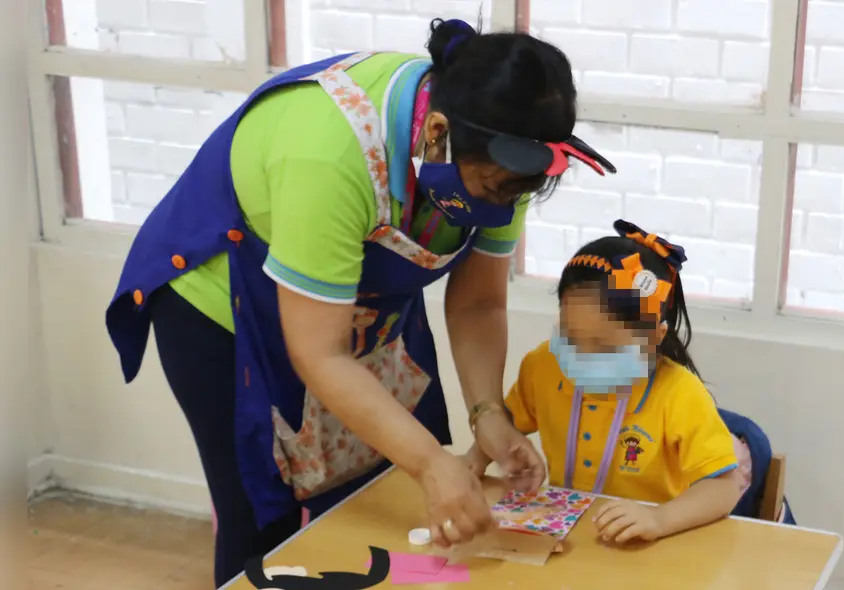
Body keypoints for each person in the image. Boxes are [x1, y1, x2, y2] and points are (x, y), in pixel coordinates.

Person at [104, 17, 616, 586]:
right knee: (265, 521)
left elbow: (477, 306)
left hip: (359, 311)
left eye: (513, 194)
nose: (502, 207)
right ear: (436, 133)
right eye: (492, 190)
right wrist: (429, 463)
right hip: (226, 310)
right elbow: (318, 352)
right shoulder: (330, 152)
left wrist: (487, 414)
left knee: (380, 499)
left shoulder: (508, 158)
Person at [463, 219, 745, 544]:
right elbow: (506, 423)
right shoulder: (544, 366)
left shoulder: (680, 394)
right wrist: (477, 457)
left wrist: (659, 518)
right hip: (569, 538)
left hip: (646, 547)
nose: (582, 355)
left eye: (605, 346)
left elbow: (724, 487)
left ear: (654, 337)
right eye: (570, 337)